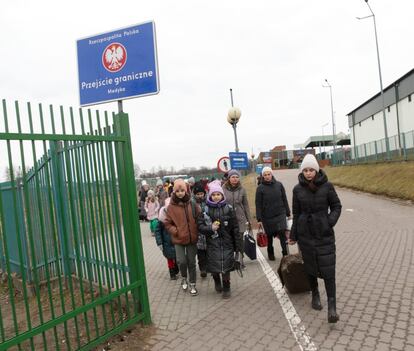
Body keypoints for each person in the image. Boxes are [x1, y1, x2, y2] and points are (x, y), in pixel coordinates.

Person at [288, 154, 342, 323]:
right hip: (306, 235)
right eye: (305, 170)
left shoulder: (327, 186)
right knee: (310, 267)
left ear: (317, 170)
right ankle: (315, 294)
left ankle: (332, 305)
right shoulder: (297, 189)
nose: (309, 173)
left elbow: (336, 206)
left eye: (311, 170)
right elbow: (296, 214)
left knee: (328, 269)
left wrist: (329, 221)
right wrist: (293, 235)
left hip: (324, 234)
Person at [197, 182, 241, 299]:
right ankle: (217, 281)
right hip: (212, 243)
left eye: (218, 194)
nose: (216, 196)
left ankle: (227, 287)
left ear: (222, 195)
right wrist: (210, 228)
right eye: (214, 195)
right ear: (210, 196)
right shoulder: (205, 210)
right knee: (214, 266)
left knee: (226, 266)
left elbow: (235, 228)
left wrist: (237, 246)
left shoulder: (228, 209)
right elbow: (200, 227)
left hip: (227, 243)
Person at [164, 179, 201, 296]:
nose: (180, 193)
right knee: (182, 261)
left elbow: (199, 217)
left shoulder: (192, 204)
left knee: (191, 262)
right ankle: (184, 277)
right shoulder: (170, 207)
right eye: (178, 191)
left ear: (186, 191)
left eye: (182, 191)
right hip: (178, 239)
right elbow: (167, 223)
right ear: (174, 192)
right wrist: (176, 231)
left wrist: (197, 229)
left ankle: (193, 284)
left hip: (191, 238)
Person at [255, 166, 291, 261]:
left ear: (272, 174)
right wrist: (259, 219)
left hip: (280, 214)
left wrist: (288, 212)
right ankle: (270, 253)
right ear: (262, 176)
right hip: (267, 216)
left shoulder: (279, 185)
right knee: (269, 236)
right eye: (265, 175)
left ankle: (285, 254)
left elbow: (284, 199)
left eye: (269, 174)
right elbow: (258, 204)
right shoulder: (260, 188)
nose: (267, 176)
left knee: (282, 234)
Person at [223, 169, 252, 268]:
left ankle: (240, 260)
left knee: (239, 240)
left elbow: (246, 205)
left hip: (240, 218)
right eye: (233, 177)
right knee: (230, 240)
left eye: (236, 177)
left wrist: (249, 219)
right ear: (229, 178)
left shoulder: (242, 189)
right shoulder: (223, 189)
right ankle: (231, 260)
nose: (235, 179)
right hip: (228, 219)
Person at [155, 198, 179, 280]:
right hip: (166, 243)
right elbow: (157, 232)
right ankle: (172, 273)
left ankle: (176, 267)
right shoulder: (161, 220)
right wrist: (159, 243)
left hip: (176, 241)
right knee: (169, 258)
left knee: (177, 257)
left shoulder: (177, 217)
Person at [192, 182, 208, 278]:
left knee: (209, 250)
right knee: (200, 252)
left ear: (204, 193)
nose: (200, 196)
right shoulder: (192, 203)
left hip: (208, 229)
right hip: (198, 230)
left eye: (201, 194)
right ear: (195, 194)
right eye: (198, 194)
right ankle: (203, 269)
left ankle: (209, 266)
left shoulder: (208, 201)